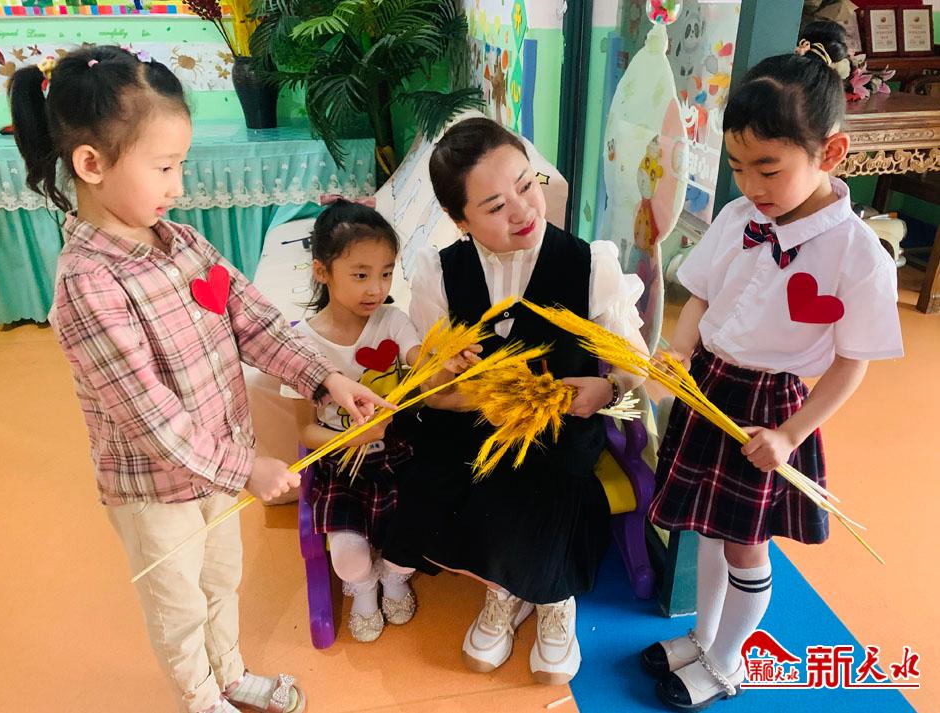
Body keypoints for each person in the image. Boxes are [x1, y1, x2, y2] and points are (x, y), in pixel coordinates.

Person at [9, 45, 390, 713]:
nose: (178, 186)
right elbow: (151, 420)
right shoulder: (87, 286)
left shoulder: (181, 242)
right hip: (156, 492)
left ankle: (230, 673)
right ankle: (200, 697)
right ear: (92, 165)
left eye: (179, 165)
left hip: (216, 469)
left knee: (221, 580)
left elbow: (254, 319)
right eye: (164, 167)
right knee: (178, 604)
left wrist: (326, 380)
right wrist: (246, 468)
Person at [640, 24, 904, 710]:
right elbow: (701, 294)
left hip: (770, 409)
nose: (750, 184)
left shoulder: (859, 256)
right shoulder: (739, 216)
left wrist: (790, 434)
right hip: (710, 385)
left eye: (768, 168)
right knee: (707, 528)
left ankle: (727, 663)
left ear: (831, 153)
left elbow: (851, 364)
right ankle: (701, 637)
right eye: (737, 166)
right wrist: (679, 353)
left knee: (745, 545)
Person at [382, 116, 647, 685]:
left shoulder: (590, 263)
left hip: (561, 424)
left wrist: (608, 388)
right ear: (459, 219)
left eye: (528, 185)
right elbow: (430, 383)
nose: (524, 211)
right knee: (454, 467)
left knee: (546, 471)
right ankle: (504, 588)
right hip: (473, 424)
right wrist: (442, 375)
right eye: (496, 206)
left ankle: (552, 596)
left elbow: (635, 362)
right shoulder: (439, 273)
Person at [285, 199, 420, 643]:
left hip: (399, 455)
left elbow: (421, 360)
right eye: (361, 275)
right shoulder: (302, 344)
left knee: (418, 531)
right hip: (340, 462)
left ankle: (394, 577)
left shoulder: (393, 321)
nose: (376, 288)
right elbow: (304, 430)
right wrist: (351, 438)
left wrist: (441, 361)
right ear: (322, 271)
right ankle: (361, 586)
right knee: (347, 556)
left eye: (386, 273)